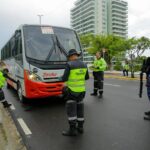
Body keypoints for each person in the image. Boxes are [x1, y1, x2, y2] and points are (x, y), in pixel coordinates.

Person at [62, 49, 89, 136]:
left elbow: (64, 78)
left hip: (72, 91)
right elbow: (86, 77)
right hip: (81, 91)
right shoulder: (84, 64)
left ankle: (72, 130)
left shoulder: (69, 64)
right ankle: (80, 128)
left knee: (71, 110)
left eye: (69, 57)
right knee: (80, 109)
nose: (69, 59)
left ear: (71, 56)